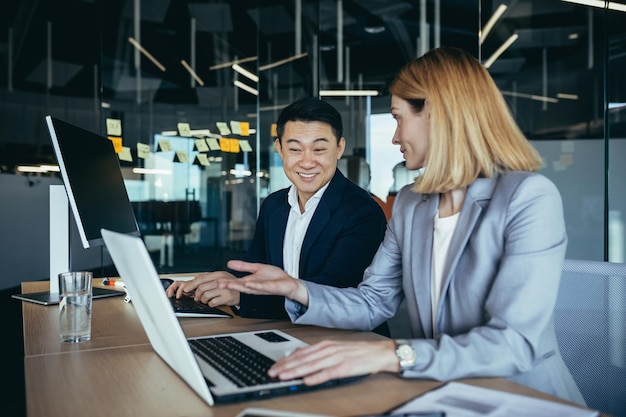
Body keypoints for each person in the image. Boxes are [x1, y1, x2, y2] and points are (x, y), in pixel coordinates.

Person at [218, 47, 585, 404]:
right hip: (438, 389)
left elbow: (515, 342)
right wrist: (296, 289)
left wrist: (395, 355)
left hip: (521, 397)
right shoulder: (412, 203)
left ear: (436, 113)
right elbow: (373, 301)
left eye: (397, 118)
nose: (394, 137)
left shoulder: (528, 197)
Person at [166, 96, 389, 335]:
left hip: (347, 342)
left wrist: (241, 297)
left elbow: (329, 293)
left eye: (319, 149)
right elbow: (257, 268)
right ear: (280, 149)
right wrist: (223, 280)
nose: (306, 162)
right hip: (285, 332)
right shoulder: (274, 204)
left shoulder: (362, 212)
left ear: (339, 148)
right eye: (295, 149)